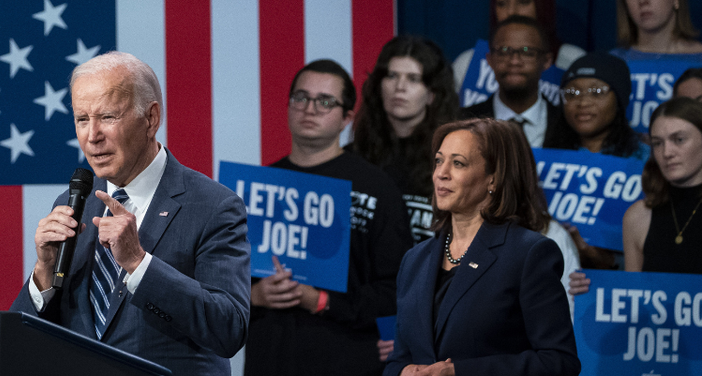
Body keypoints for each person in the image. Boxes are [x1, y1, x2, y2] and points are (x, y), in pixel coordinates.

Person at [10, 52, 250, 376]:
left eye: (107, 117)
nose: (92, 135)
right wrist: (44, 272)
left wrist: (139, 263)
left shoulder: (213, 207)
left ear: (151, 118)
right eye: (82, 119)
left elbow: (229, 328)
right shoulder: (72, 204)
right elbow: (19, 342)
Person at [246, 60, 412, 376]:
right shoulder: (259, 186)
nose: (310, 109)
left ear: (347, 117)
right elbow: (220, 281)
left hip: (348, 360)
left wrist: (322, 301)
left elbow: (398, 290)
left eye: (325, 102)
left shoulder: (376, 187)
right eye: (301, 98)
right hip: (269, 358)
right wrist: (253, 295)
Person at [385, 118, 580, 376]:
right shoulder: (414, 260)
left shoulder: (529, 254)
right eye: (438, 161)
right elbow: (399, 359)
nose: (441, 173)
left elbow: (558, 362)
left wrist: (459, 372)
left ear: (493, 179)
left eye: (458, 163)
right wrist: (403, 371)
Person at [570, 98, 702, 295]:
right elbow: (633, 301)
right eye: (657, 143)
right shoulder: (638, 216)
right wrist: (592, 289)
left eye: (679, 140)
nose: (667, 152)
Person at [352, 35, 459, 243]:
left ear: (432, 95)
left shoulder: (453, 162)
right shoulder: (354, 156)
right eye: (392, 76)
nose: (399, 87)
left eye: (413, 79)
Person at [451, 0, 585, 90]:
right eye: (502, 3)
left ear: (543, 5)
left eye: (523, 1)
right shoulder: (468, 64)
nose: (511, 11)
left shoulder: (572, 60)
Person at [461, 16, 575, 150]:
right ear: (490, 60)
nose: (514, 61)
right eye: (504, 51)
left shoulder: (570, 126)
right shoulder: (463, 123)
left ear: (546, 61)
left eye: (527, 51)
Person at [557, 53, 650, 161]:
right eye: (572, 93)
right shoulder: (546, 152)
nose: (583, 103)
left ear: (619, 100)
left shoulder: (643, 158)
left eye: (597, 92)